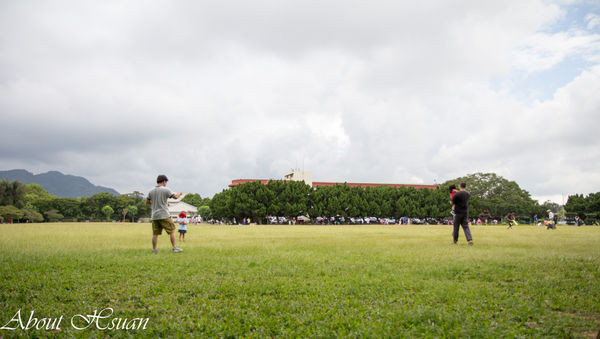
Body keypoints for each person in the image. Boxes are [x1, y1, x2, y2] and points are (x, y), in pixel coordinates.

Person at [146, 174, 183, 253]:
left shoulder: (151, 191)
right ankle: (174, 247)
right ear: (164, 181)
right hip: (164, 214)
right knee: (172, 230)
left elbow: (147, 202)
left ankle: (154, 249)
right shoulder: (165, 189)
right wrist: (180, 193)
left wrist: (155, 203)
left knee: (155, 233)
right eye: (166, 182)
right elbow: (175, 197)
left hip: (154, 215)